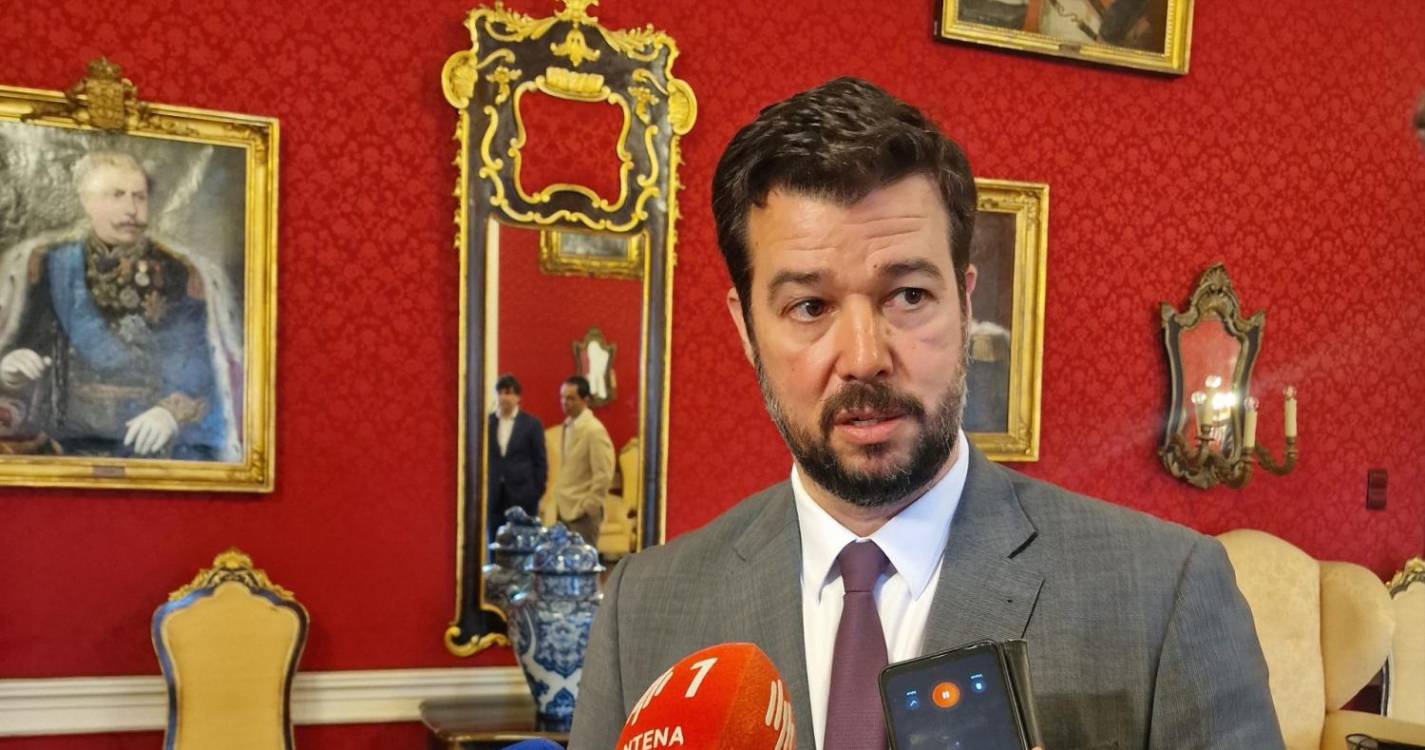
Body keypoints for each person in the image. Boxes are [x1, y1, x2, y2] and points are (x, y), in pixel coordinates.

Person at [570, 78, 1282, 749]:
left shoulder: (1165, 591)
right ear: (746, 329)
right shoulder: (643, 610)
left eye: (908, 295)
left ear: (966, 303)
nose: (864, 357)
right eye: (809, 306)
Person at [0, 151, 239, 460]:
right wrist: (12, 369)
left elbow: (197, 364)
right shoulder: (50, 264)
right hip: (64, 438)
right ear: (87, 202)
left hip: (148, 438)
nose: (131, 210)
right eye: (117, 195)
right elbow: (31, 347)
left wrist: (169, 413)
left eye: (139, 197)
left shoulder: (179, 271)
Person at [551, 375, 614, 546]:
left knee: (583, 561)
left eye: (571, 398)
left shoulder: (594, 430)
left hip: (582, 514)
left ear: (585, 400)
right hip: (564, 509)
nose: (565, 402)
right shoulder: (568, 425)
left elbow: (604, 473)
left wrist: (588, 506)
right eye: (563, 397)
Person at [487, 373, 547, 540]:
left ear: (518, 397)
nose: (503, 397)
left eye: (508, 393)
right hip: (495, 496)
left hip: (523, 495)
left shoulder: (531, 424)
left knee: (523, 543)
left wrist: (536, 492)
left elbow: (540, 461)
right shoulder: (488, 423)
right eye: (500, 393)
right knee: (495, 543)